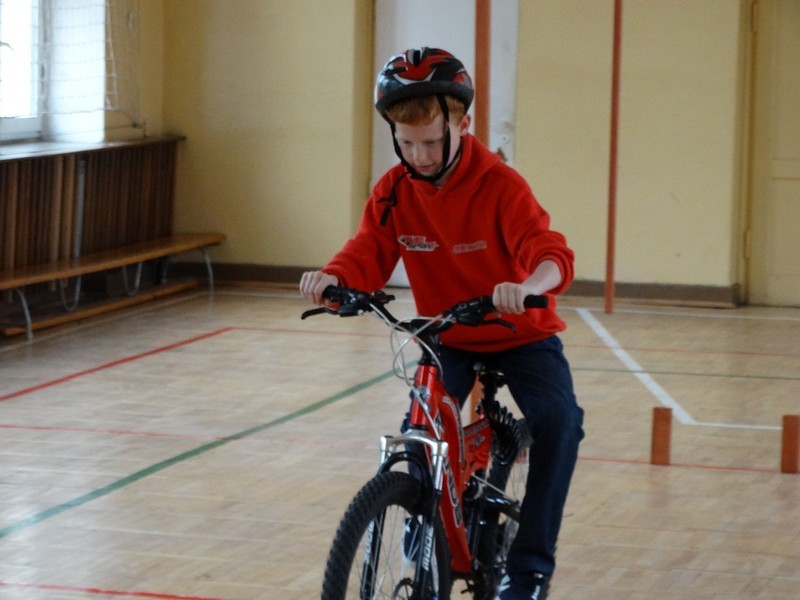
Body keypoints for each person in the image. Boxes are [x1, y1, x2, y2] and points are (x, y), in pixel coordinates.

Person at [300, 47, 584, 600]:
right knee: (420, 435)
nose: (420, 156)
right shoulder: (394, 190)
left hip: (518, 333)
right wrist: (334, 279)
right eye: (406, 144)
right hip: (446, 333)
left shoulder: (501, 185)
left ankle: (529, 568)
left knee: (559, 422)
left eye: (432, 142)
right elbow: (368, 249)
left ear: (463, 125)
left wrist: (530, 285)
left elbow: (549, 250)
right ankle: (422, 523)